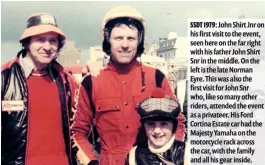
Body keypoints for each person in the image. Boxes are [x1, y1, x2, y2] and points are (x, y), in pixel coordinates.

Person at [71, 6, 185, 165]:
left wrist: (171, 156)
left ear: (139, 41)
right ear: (107, 40)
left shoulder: (157, 77)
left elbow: (178, 122)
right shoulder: (91, 82)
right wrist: (91, 162)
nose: (125, 45)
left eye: (131, 38)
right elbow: (78, 132)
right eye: (118, 38)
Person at [1, 13, 77, 165]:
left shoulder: (66, 80)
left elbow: (80, 128)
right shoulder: (4, 78)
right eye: (40, 40)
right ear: (27, 42)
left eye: (53, 41)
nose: (47, 47)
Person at [125, 88, 187, 165]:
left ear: (173, 126)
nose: (157, 131)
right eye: (151, 124)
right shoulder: (134, 156)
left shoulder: (187, 153)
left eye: (164, 124)